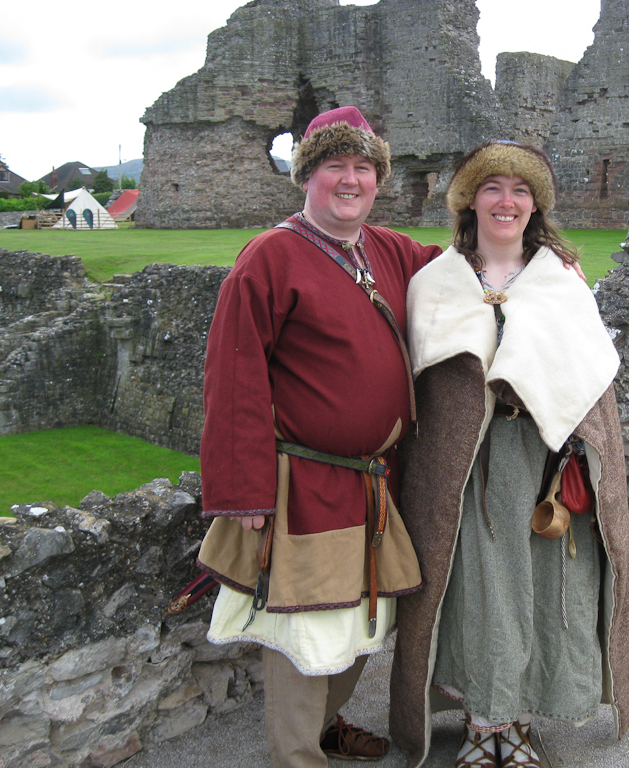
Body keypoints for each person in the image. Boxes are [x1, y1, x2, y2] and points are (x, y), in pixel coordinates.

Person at [195, 106, 441, 768]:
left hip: (373, 483)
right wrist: (241, 489)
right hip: (302, 484)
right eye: (335, 165)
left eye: (364, 167)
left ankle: (327, 728)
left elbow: (464, 271)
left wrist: (538, 257)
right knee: (306, 634)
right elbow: (233, 378)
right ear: (307, 175)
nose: (351, 179)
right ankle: (297, 756)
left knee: (366, 620)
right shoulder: (270, 256)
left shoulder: (387, 248)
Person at [388, 141, 629, 768]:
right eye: (492, 187)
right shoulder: (436, 282)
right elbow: (421, 386)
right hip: (465, 469)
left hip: (545, 463)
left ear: (535, 206)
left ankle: (521, 721)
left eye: (521, 190)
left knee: (545, 586)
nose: (507, 201)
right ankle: (483, 722)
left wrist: (584, 456)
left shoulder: (561, 280)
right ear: (469, 200)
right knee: (475, 588)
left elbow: (589, 377)